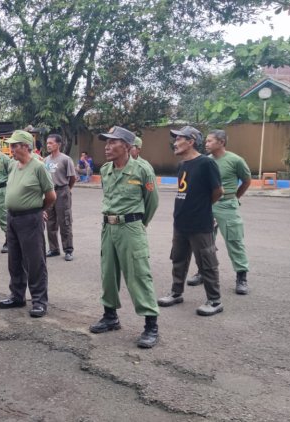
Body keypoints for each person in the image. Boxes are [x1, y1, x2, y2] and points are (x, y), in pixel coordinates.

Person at [89, 126, 160, 348]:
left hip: (131, 228)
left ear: (127, 147)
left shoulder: (141, 170)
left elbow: (152, 202)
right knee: (108, 273)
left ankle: (151, 326)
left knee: (138, 275)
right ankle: (110, 316)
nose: (107, 147)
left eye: (113, 142)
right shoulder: (105, 170)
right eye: (106, 143)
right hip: (108, 227)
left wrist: (138, 224)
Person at [158, 126, 224, 317]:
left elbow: (218, 191)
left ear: (191, 141)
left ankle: (214, 300)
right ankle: (176, 293)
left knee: (206, 262)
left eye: (179, 139)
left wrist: (202, 208)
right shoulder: (182, 165)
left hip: (200, 223)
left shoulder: (206, 164)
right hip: (180, 222)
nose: (175, 143)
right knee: (178, 259)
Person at [0, 130, 56, 318]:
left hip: (30, 219)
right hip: (12, 218)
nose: (11, 149)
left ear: (25, 146)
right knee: (14, 260)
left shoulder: (38, 167)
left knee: (35, 261)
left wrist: (40, 211)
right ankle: (17, 295)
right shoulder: (14, 166)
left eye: (14, 145)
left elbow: (51, 195)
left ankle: (39, 301)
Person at [187, 130, 252, 294]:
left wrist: (235, 197)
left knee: (234, 240)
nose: (206, 144)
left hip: (227, 205)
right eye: (206, 141)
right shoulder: (205, 161)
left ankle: (241, 277)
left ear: (221, 142)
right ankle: (203, 272)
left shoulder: (235, 160)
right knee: (204, 243)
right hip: (208, 205)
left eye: (209, 141)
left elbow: (246, 180)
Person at [44, 134, 77, 261]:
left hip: (62, 191)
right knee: (50, 222)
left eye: (51, 143)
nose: (48, 145)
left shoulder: (65, 159)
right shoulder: (46, 160)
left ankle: (68, 250)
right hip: (50, 192)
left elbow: (72, 178)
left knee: (65, 221)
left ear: (58, 144)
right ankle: (54, 249)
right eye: (47, 143)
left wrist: (68, 189)